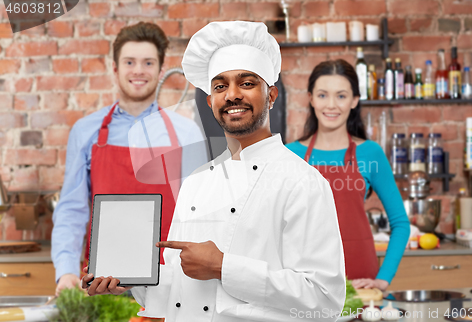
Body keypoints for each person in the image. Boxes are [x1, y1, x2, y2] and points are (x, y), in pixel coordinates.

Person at [82, 21, 346, 321]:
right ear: (210, 102)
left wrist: (223, 267)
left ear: (271, 96)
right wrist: (131, 281)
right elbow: (177, 292)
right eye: (220, 86)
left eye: (246, 83)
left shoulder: (302, 183)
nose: (232, 95)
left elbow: (325, 301)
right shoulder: (197, 182)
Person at [52, 22, 208, 296]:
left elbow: (199, 214)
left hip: (170, 284)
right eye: (130, 62)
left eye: (148, 62)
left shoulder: (187, 133)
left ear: (160, 71)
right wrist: (65, 271)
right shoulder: (86, 131)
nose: (138, 70)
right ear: (115, 68)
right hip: (103, 283)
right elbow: (72, 209)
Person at [286, 59, 410, 291]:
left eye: (341, 96)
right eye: (323, 95)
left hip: (361, 278)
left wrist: (382, 280)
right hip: (304, 281)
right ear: (311, 98)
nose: (331, 105)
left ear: (354, 101)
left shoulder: (370, 153)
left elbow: (400, 223)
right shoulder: (289, 155)